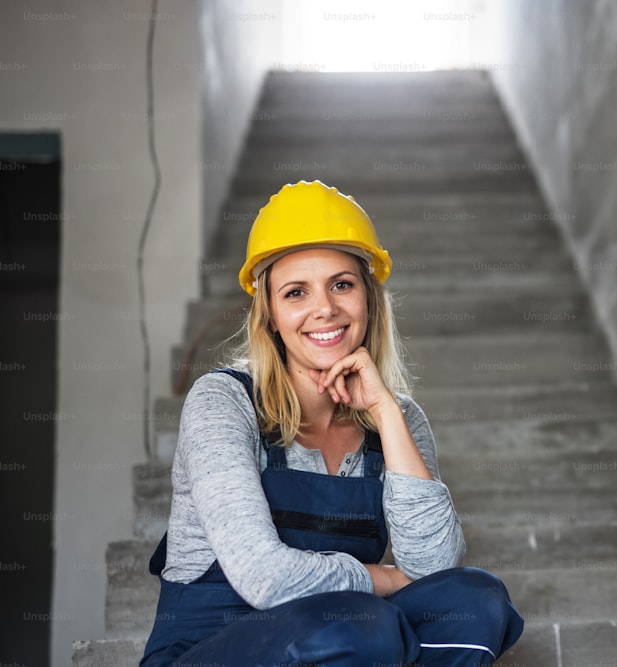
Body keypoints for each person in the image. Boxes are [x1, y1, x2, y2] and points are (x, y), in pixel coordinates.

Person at [140, 180, 524, 666]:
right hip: (211, 649)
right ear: (271, 316)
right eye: (296, 292)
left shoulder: (398, 419)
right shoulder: (223, 401)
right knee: (362, 627)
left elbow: (434, 570)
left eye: (342, 284)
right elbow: (264, 576)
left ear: (368, 298)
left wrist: (386, 413)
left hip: (351, 636)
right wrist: (380, 578)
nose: (325, 308)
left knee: (477, 600)